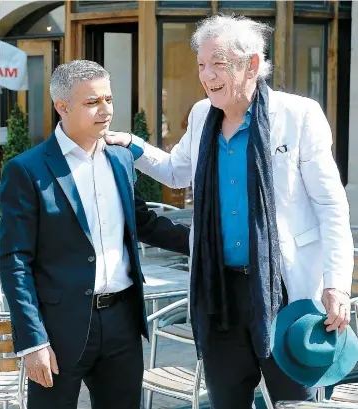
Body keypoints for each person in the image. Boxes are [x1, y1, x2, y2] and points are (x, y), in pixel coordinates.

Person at [106, 15, 354, 408]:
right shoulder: (203, 114)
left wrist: (337, 284)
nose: (207, 75)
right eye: (201, 65)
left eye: (217, 64)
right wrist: (131, 144)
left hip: (285, 292)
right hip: (219, 293)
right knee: (226, 401)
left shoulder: (299, 115)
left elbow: (331, 206)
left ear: (252, 64)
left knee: (296, 402)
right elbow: (176, 171)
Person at [0, 60, 190, 409]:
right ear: (62, 106)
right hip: (57, 329)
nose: (105, 111)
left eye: (108, 99)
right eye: (92, 102)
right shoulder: (26, 170)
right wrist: (32, 341)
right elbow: (14, 261)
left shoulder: (120, 159)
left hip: (122, 323)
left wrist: (202, 243)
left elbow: (143, 223)